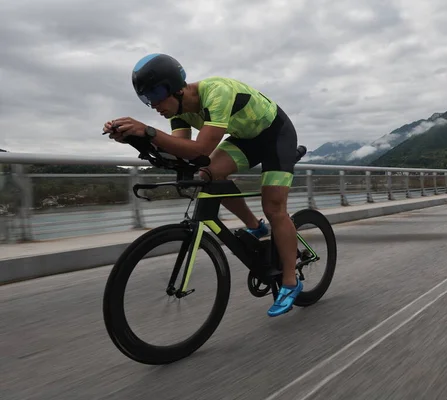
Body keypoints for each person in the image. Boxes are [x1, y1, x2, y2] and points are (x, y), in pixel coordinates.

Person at [103, 53, 302, 317]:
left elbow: (202, 148)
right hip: (247, 140)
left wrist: (148, 131)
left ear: (174, 87)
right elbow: (183, 154)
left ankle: (290, 281)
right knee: (207, 175)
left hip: (277, 135)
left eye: (156, 95)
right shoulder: (178, 112)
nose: (154, 106)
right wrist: (132, 138)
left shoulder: (216, 92)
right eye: (146, 99)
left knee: (274, 207)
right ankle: (255, 227)